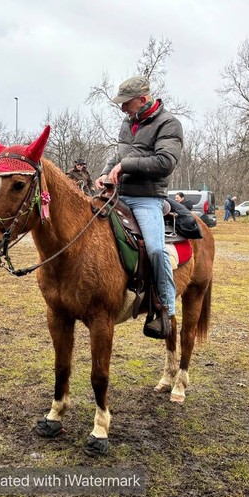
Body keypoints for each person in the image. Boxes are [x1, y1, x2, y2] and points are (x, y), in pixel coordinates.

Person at [95, 75, 182, 339]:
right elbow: (119, 155)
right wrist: (105, 172)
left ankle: (166, 308)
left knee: (155, 250)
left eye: (126, 103)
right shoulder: (127, 122)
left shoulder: (169, 123)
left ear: (142, 100)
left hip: (147, 198)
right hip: (117, 194)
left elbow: (166, 161)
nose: (122, 108)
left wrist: (126, 166)